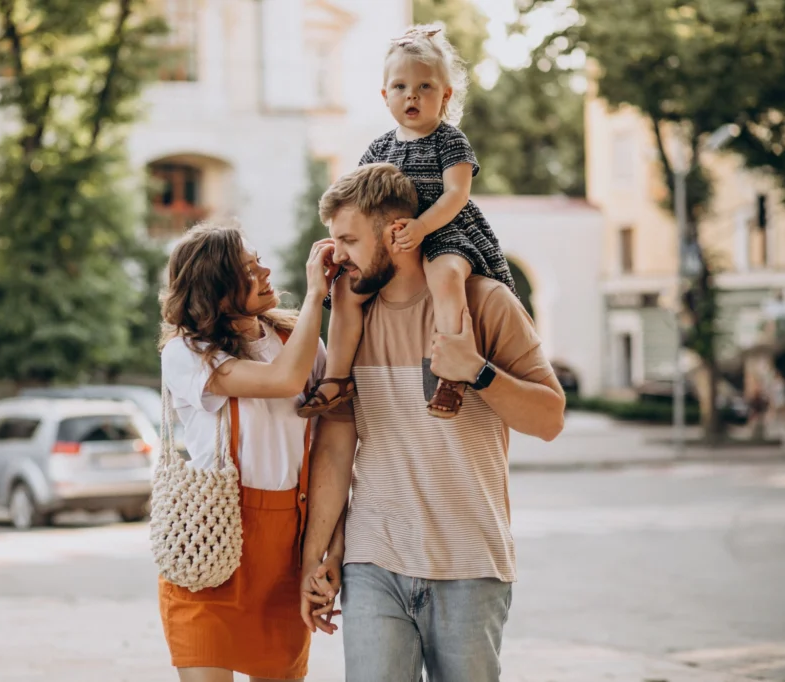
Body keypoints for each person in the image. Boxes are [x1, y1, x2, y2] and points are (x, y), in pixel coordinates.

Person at [298, 163, 566, 681]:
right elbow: (334, 446)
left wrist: (478, 372)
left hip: (470, 565)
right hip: (374, 560)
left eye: (349, 240)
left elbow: (550, 419)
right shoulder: (352, 320)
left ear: (396, 232)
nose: (338, 257)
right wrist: (316, 559)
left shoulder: (485, 302)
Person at [298, 24, 517, 421]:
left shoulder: (449, 140)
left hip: (443, 229)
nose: (411, 95)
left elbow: (456, 195)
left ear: (445, 95)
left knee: (447, 278)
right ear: (385, 96)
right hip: (389, 238)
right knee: (347, 293)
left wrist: (422, 227)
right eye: (400, 87)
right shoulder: (379, 147)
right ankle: (336, 378)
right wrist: (344, 243)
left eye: (425, 87)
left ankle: (449, 374)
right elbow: (356, 200)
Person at [157, 222, 338, 682]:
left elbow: (333, 438)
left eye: (258, 260)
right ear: (216, 291)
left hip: (284, 549)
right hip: (211, 543)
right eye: (248, 269)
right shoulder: (188, 353)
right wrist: (317, 294)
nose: (266, 271)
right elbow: (283, 382)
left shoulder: (298, 343)